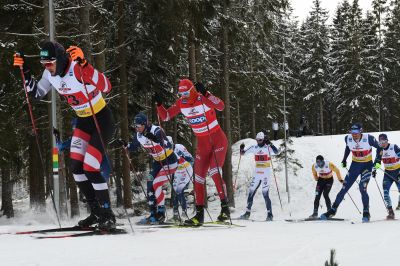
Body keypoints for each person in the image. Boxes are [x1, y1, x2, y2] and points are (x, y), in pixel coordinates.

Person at [13, 41, 115, 230]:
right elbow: (36, 94)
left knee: (90, 167)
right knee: (76, 167)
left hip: (101, 118)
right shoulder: (49, 74)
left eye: (50, 63)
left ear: (60, 60)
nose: (47, 67)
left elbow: (106, 86)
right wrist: (25, 70)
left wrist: (85, 64)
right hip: (83, 120)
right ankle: (96, 212)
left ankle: (108, 213)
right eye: (44, 64)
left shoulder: (76, 68)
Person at [155, 79, 229, 225]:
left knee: (214, 172)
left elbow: (221, 106)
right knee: (198, 179)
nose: (184, 95)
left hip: (218, 141)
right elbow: (166, 116)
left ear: (193, 90)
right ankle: (199, 215)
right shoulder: (182, 103)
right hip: (203, 145)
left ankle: (225, 209)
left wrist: (207, 93)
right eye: (181, 93)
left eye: (186, 92)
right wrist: (159, 105)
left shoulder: (203, 98)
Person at [124, 113, 178, 224]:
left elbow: (168, 144)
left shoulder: (156, 130)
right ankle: (153, 214)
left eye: (138, 125)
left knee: (157, 183)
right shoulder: (139, 135)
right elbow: (133, 146)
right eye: (135, 126)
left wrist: (155, 139)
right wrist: (125, 145)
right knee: (150, 183)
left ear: (144, 124)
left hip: (169, 161)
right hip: (157, 163)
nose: (136, 128)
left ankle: (161, 213)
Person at [321, 123, 379, 222]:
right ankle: (333, 210)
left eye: (356, 132)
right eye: (352, 132)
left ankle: (366, 211)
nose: (354, 134)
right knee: (344, 187)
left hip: (367, 166)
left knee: (362, 187)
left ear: (361, 131)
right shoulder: (347, 138)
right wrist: (344, 159)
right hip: (355, 166)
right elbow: (348, 147)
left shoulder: (369, 138)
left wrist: (377, 162)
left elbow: (380, 148)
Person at [239, 132, 279, 221]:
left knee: (265, 194)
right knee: (251, 193)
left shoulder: (267, 148)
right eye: (257, 140)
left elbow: (277, 152)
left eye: (260, 140)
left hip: (265, 175)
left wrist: (271, 144)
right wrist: (241, 149)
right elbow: (243, 153)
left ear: (263, 140)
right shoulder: (254, 147)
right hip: (257, 174)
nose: (258, 142)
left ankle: (270, 215)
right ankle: (247, 213)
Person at [166, 136, 194, 221]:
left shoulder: (179, 147)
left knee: (180, 190)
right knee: (175, 192)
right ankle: (175, 214)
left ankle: (184, 213)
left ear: (172, 143)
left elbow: (191, 159)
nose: (168, 147)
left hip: (185, 169)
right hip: (176, 171)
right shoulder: (165, 150)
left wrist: (182, 158)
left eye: (169, 145)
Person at [373, 134, 400, 220]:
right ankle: (390, 212)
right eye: (380, 142)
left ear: (387, 140)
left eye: (384, 141)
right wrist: (374, 170)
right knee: (385, 192)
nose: (383, 144)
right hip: (387, 173)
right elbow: (377, 161)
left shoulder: (394, 147)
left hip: (397, 172)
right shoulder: (380, 150)